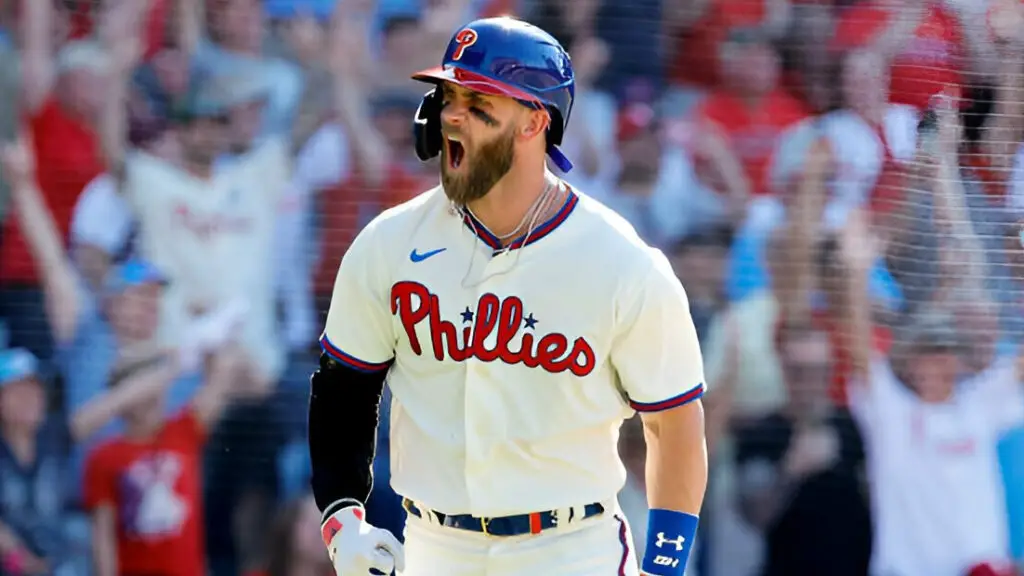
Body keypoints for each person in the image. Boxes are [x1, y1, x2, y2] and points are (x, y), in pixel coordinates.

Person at [309, 17, 708, 576]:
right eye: (447, 95)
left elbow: (674, 424)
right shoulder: (388, 245)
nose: (449, 114)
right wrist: (341, 517)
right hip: (433, 546)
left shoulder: (622, 263)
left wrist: (666, 567)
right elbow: (344, 389)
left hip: (571, 549)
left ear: (534, 123)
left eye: (477, 102)